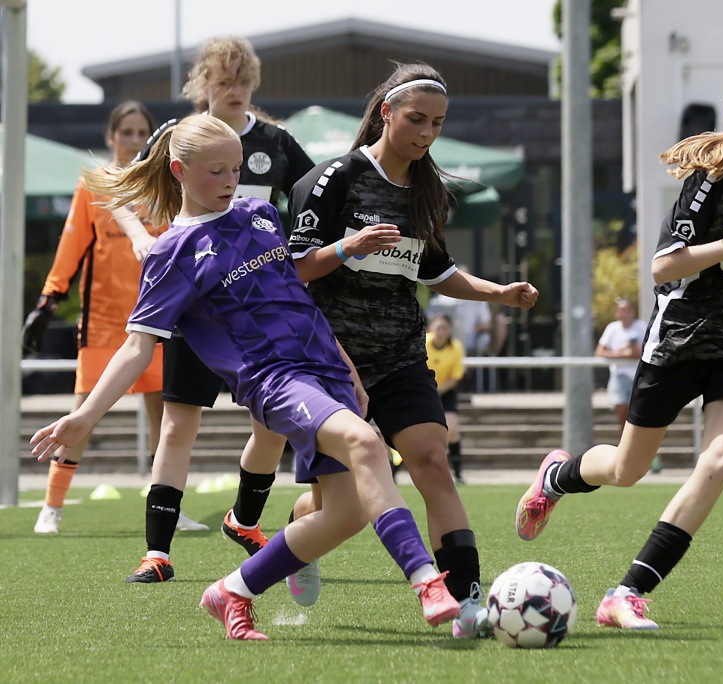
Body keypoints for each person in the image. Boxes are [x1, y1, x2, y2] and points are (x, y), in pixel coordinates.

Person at [30, 114, 459, 641]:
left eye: (236, 168)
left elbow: (295, 297)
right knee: (367, 445)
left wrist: (345, 364)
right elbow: (137, 347)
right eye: (217, 171)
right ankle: (427, 583)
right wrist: (85, 415)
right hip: (275, 379)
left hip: (327, 371)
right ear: (179, 171)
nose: (231, 180)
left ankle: (232, 591)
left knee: (346, 514)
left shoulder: (261, 215)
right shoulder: (171, 253)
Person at [513, 72, 723, 630]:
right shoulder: (710, 181)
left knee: (721, 461)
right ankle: (557, 478)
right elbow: (663, 266)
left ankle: (626, 593)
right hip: (684, 336)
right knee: (627, 469)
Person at [287, 62, 539, 638]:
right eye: (417, 119)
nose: (427, 133)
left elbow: (437, 272)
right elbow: (294, 269)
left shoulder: (430, 192)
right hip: (332, 363)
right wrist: (347, 247)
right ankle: (299, 530)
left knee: (431, 461)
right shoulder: (334, 178)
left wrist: (498, 292)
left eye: (438, 123)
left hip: (401, 354)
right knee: (340, 510)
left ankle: (467, 601)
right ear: (387, 113)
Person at [112, 36, 316, 584]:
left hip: (257, 311)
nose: (234, 91)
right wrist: (140, 236)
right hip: (195, 303)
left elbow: (315, 200)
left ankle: (243, 520)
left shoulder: (276, 141)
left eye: (243, 81)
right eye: (224, 81)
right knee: (179, 425)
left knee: (272, 426)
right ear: (202, 84)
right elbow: (123, 193)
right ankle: (157, 553)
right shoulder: (178, 136)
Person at [25, 102, 168, 536]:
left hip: (155, 321)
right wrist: (49, 298)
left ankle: (165, 505)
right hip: (103, 322)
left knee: (163, 415)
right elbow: (70, 246)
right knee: (84, 409)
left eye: (142, 132)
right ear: (111, 137)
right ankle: (52, 505)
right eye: (126, 132)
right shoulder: (93, 184)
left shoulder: (161, 185)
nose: (134, 140)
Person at [426, 314, 467, 485]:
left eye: (444, 328)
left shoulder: (456, 347)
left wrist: (439, 390)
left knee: (452, 430)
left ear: (449, 330)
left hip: (445, 391)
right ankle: (394, 471)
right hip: (423, 390)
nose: (440, 331)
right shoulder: (423, 343)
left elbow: (455, 377)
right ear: (431, 328)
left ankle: (458, 473)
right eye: (438, 327)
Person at [595, 297, 648, 428]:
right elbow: (600, 352)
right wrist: (622, 354)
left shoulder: (641, 327)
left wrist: (634, 352)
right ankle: (624, 438)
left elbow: (647, 350)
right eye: (621, 310)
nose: (624, 314)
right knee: (622, 410)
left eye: (627, 310)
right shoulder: (612, 328)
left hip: (639, 376)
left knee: (638, 412)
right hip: (619, 375)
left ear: (633, 312)